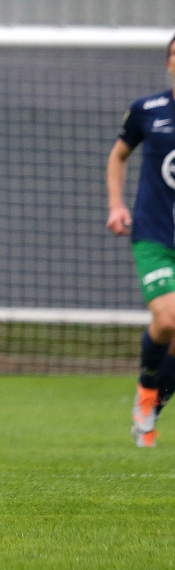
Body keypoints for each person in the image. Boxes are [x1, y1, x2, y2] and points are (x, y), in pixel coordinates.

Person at [106, 33, 175, 448]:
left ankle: (152, 403)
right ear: (169, 63)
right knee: (168, 319)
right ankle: (147, 387)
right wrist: (117, 204)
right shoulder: (147, 110)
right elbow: (119, 155)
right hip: (154, 234)